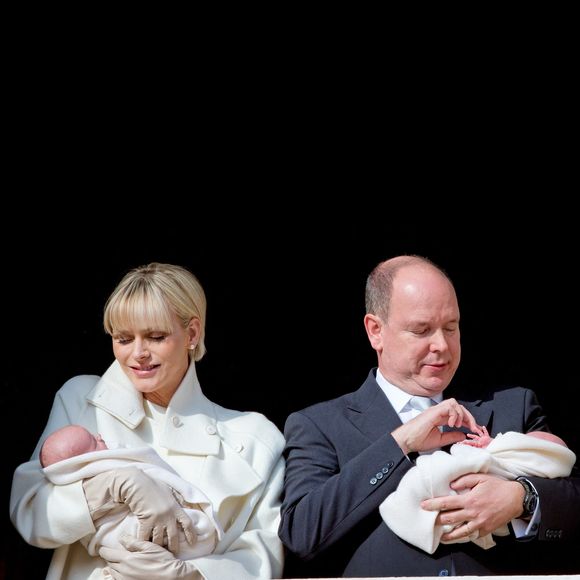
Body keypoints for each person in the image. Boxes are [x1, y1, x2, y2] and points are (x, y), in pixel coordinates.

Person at [279, 254, 580, 577]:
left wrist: (521, 498)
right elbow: (301, 533)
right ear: (375, 331)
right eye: (422, 330)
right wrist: (401, 441)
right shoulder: (319, 425)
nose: (442, 345)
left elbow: (573, 498)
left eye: (451, 327)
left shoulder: (513, 406)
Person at [10, 262, 285, 580]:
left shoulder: (255, 438)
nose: (138, 353)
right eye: (124, 339)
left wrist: (187, 574)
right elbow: (31, 514)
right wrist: (112, 487)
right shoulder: (81, 399)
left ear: (192, 333)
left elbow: (261, 558)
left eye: (155, 337)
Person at [380, 424, 576, 554]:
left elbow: (570, 490)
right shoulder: (348, 418)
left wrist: (522, 496)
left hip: (494, 566)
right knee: (428, 478)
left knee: (437, 477)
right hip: (388, 562)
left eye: (524, 439)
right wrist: (400, 442)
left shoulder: (520, 402)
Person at [40, 424, 223, 560]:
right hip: (120, 537)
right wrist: (111, 484)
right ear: (84, 462)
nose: (100, 436)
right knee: (132, 535)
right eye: (93, 441)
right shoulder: (76, 394)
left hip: (199, 557)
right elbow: (38, 506)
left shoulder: (247, 429)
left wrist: (198, 575)